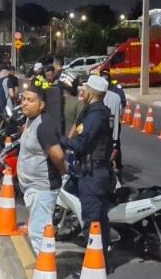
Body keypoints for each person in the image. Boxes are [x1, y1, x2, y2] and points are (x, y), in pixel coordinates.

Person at [62, 75, 114, 248]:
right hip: (92, 171)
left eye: (85, 88)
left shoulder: (96, 115)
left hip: (93, 174)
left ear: (91, 92)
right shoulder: (91, 111)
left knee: (92, 220)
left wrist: (61, 140)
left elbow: (80, 144)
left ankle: (95, 267)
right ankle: (101, 263)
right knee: (98, 218)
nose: (81, 91)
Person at [17, 85, 66, 253]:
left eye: (30, 100)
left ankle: (45, 277)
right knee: (37, 230)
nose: (24, 103)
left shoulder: (43, 126)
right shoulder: (30, 120)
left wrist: (61, 171)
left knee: (38, 233)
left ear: (42, 105)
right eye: (23, 99)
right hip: (33, 187)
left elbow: (58, 155)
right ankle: (43, 273)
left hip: (42, 188)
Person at [41, 63, 66, 134]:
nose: (48, 77)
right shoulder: (44, 83)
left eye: (50, 75)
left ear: (54, 74)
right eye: (47, 76)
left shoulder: (58, 84)